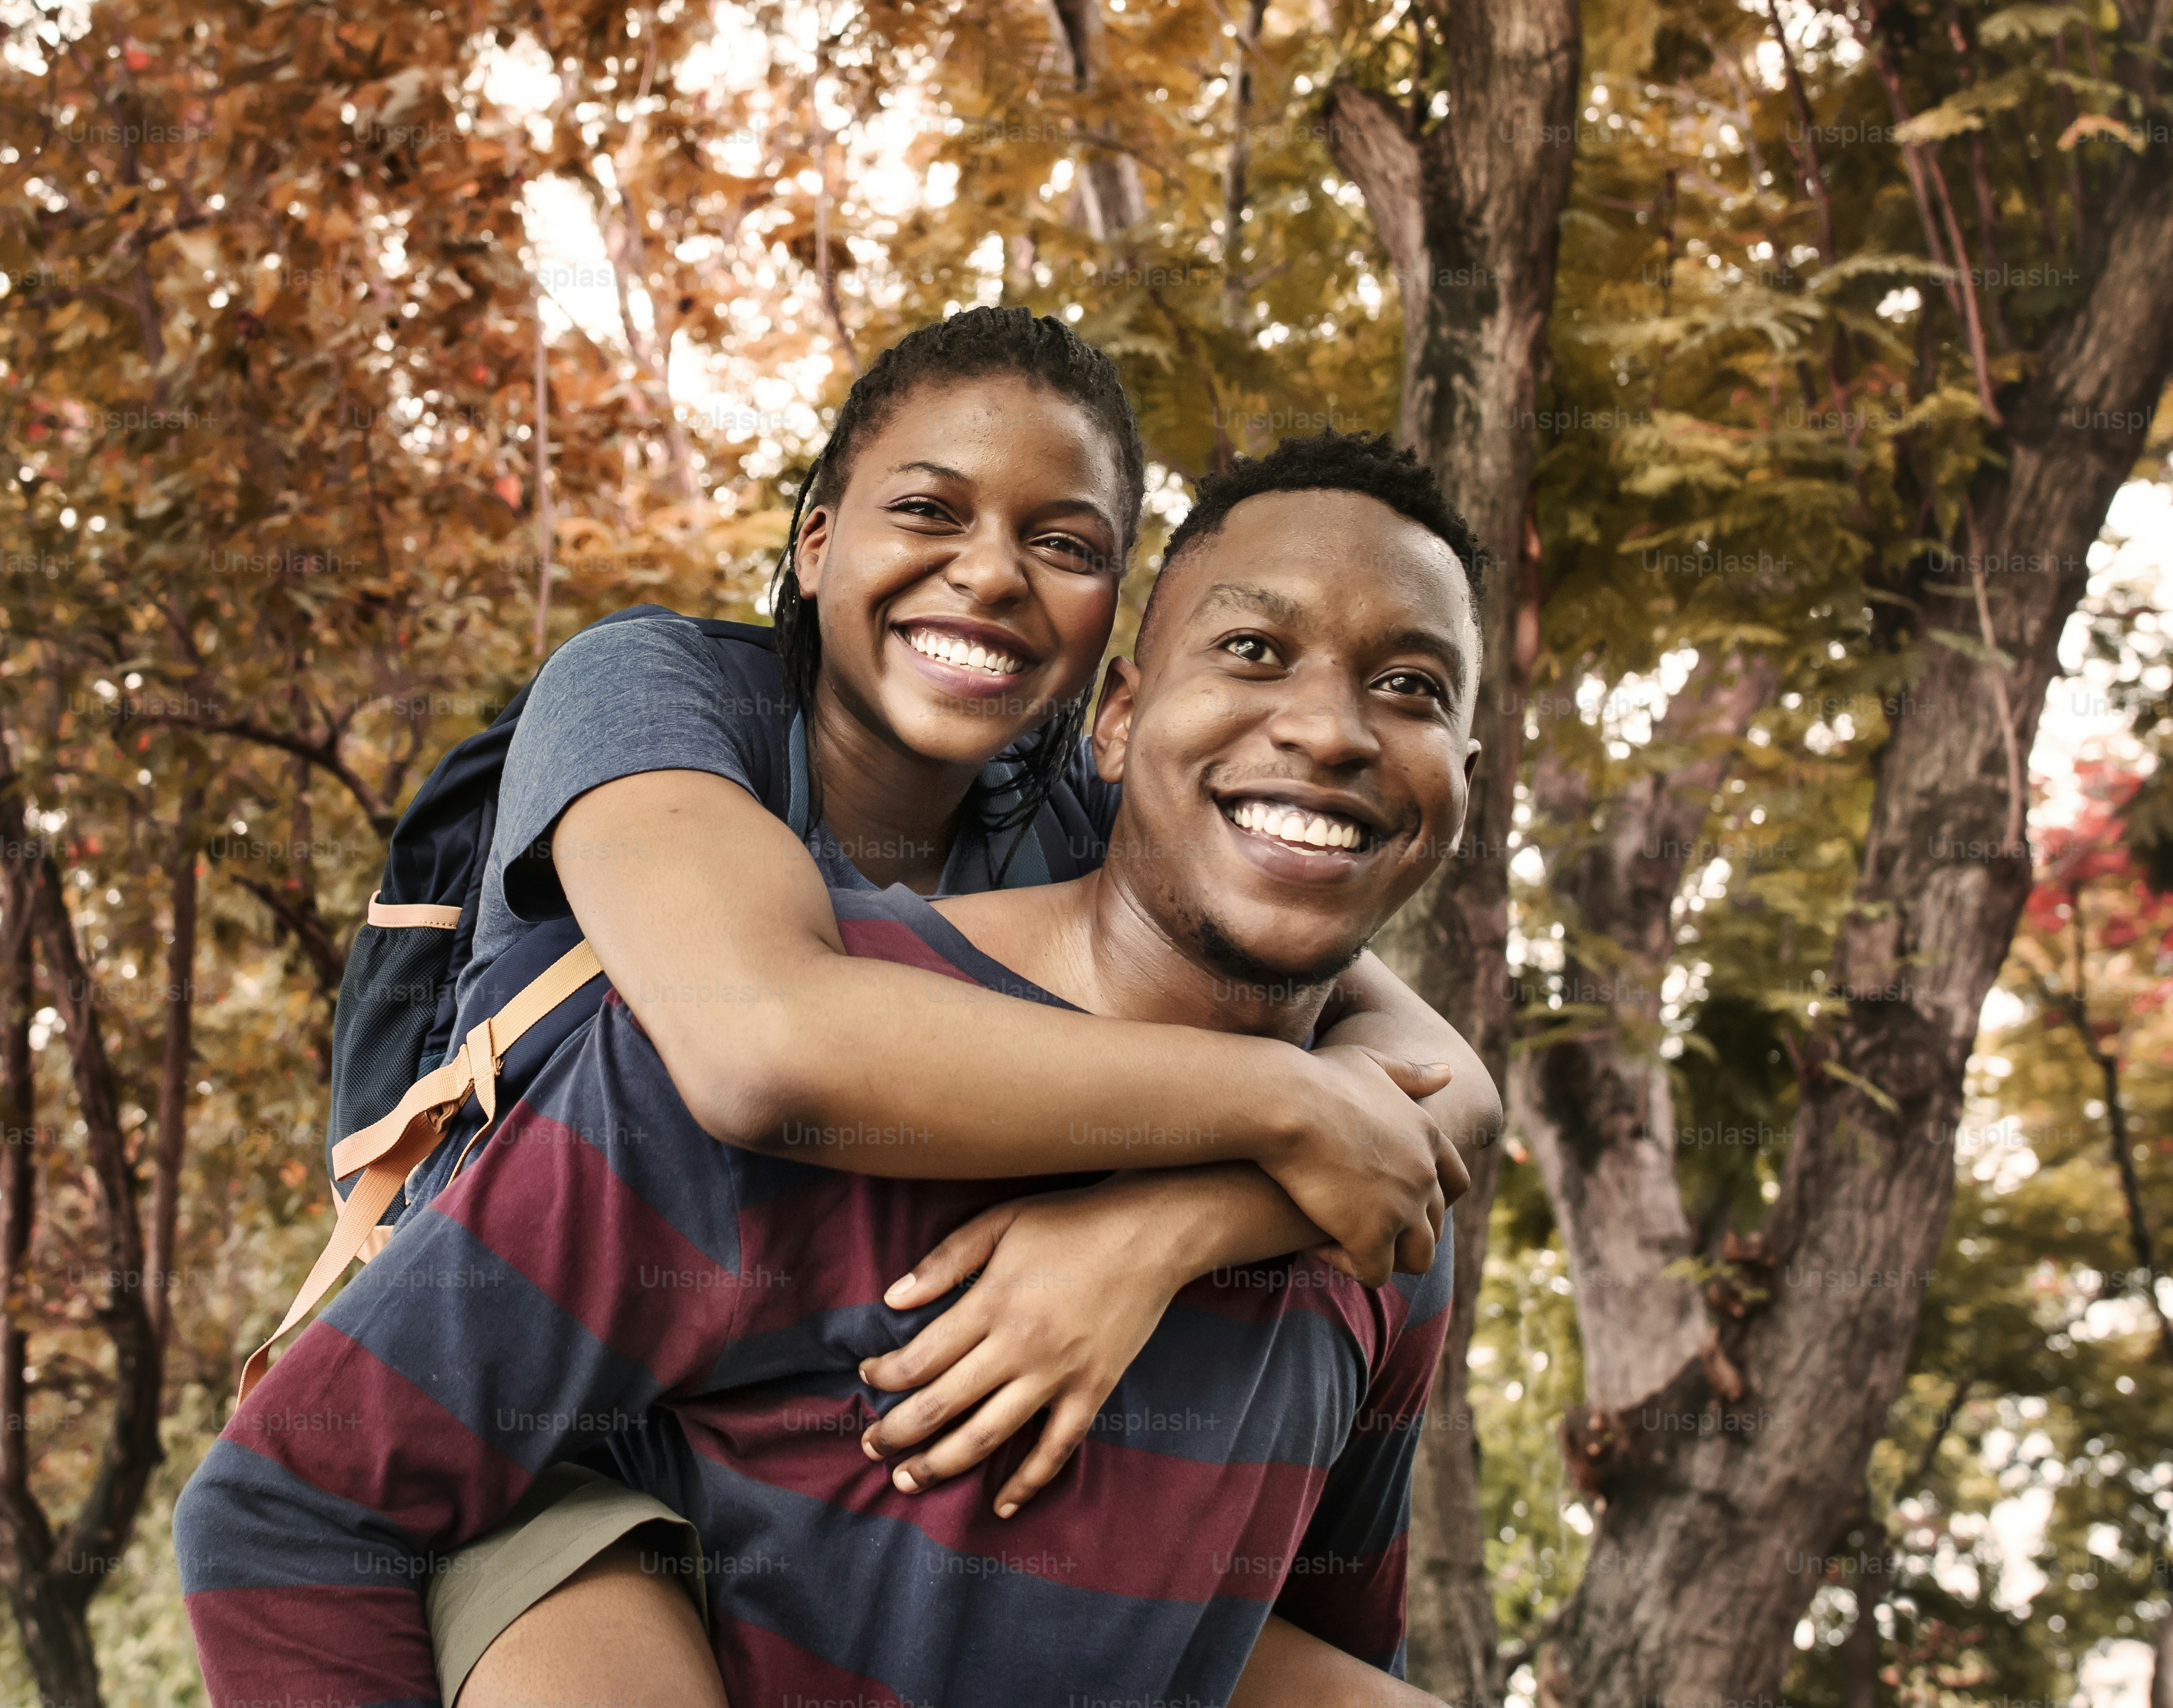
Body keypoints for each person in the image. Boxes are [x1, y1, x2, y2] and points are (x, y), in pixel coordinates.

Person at [177, 435, 1489, 1708]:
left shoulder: (1376, 1197)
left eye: (1412, 687)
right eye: (1252, 650)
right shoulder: (754, 1033)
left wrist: (1173, 1221)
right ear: (1120, 719)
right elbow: (291, 1506)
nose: (1328, 729)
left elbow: (1307, 1641)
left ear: (1466, 786)